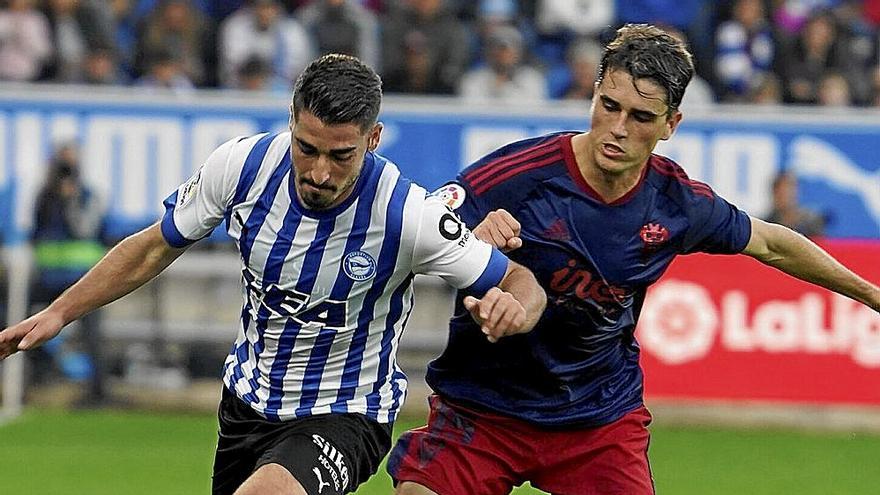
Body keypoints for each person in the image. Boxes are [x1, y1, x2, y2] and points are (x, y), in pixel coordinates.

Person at [0, 54, 547, 495]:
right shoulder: (240, 168)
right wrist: (58, 313)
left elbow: (519, 280)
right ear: (290, 121)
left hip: (346, 411)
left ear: (373, 139)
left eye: (341, 155)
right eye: (306, 149)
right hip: (247, 404)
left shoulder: (409, 214)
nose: (319, 171)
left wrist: (512, 309)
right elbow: (152, 247)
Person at [388, 24, 880, 495]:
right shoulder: (517, 176)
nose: (617, 129)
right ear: (594, 95)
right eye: (609, 106)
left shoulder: (677, 203)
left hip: (596, 421)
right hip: (483, 410)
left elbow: (772, 242)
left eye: (641, 117)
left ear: (671, 124)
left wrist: (871, 295)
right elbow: (419, 230)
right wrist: (468, 242)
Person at [29, 141, 108, 403]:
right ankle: (34, 379)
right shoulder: (44, 196)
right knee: (26, 325)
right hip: (48, 277)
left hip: (83, 278)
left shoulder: (86, 195)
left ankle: (96, 390)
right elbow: (37, 232)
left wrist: (71, 202)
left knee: (92, 336)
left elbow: (87, 229)